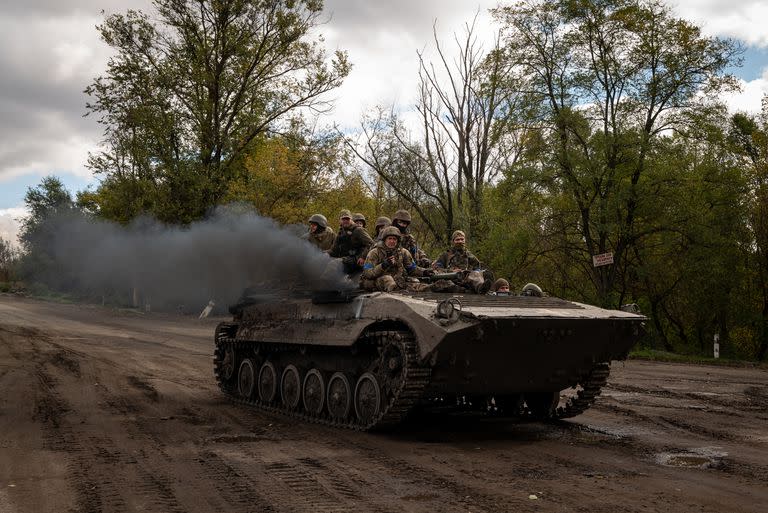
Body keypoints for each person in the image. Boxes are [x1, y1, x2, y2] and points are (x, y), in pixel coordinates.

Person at [361, 226, 434, 292]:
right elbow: (368, 273)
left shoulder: (403, 252)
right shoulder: (374, 253)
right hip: (378, 281)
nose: (392, 241)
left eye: (394, 239)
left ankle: (433, 288)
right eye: (389, 239)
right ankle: (397, 292)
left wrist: (424, 272)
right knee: (388, 279)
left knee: (416, 282)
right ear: (384, 240)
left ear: (398, 241)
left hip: (398, 279)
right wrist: (383, 265)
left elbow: (412, 268)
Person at [329, 209, 374, 274]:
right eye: (343, 219)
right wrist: (322, 254)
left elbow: (371, 243)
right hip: (347, 259)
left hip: (357, 259)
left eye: (347, 219)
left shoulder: (358, 230)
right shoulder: (340, 233)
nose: (345, 221)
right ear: (340, 221)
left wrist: (363, 257)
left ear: (351, 220)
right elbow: (334, 251)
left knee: (334, 264)